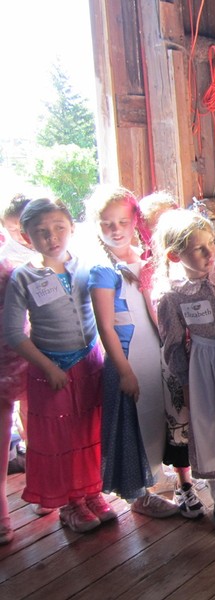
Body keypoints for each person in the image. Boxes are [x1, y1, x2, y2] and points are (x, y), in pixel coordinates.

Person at [3, 198, 111, 533]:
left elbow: (104, 313)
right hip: (50, 369)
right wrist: (47, 367)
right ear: (26, 237)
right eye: (42, 232)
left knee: (88, 431)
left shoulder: (85, 266)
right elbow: (12, 332)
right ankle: (70, 503)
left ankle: (92, 491)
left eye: (59, 228)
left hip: (89, 363)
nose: (52, 237)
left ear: (72, 228)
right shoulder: (24, 277)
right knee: (59, 438)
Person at [86, 186, 191, 520]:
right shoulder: (103, 271)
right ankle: (138, 495)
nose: (116, 230)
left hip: (151, 350)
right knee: (132, 423)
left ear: (135, 222)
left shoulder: (144, 262)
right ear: (97, 226)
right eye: (107, 224)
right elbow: (105, 327)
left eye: (122, 221)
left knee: (151, 418)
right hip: (127, 356)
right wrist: (123, 370)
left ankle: (160, 481)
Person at [154, 209, 215, 538]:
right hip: (205, 367)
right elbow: (172, 346)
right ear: (174, 255)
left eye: (212, 243)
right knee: (211, 431)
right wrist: (186, 385)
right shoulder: (173, 296)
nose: (212, 253)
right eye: (199, 249)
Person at [137, 191, 207, 504]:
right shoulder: (155, 276)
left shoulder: (206, 267)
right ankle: (185, 483)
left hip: (208, 355)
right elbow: (165, 329)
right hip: (179, 357)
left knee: (211, 416)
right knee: (181, 419)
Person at [0, 194, 37, 543]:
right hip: (9, 350)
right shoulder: (9, 261)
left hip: (29, 350)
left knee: (35, 423)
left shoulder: (24, 263)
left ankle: (43, 487)